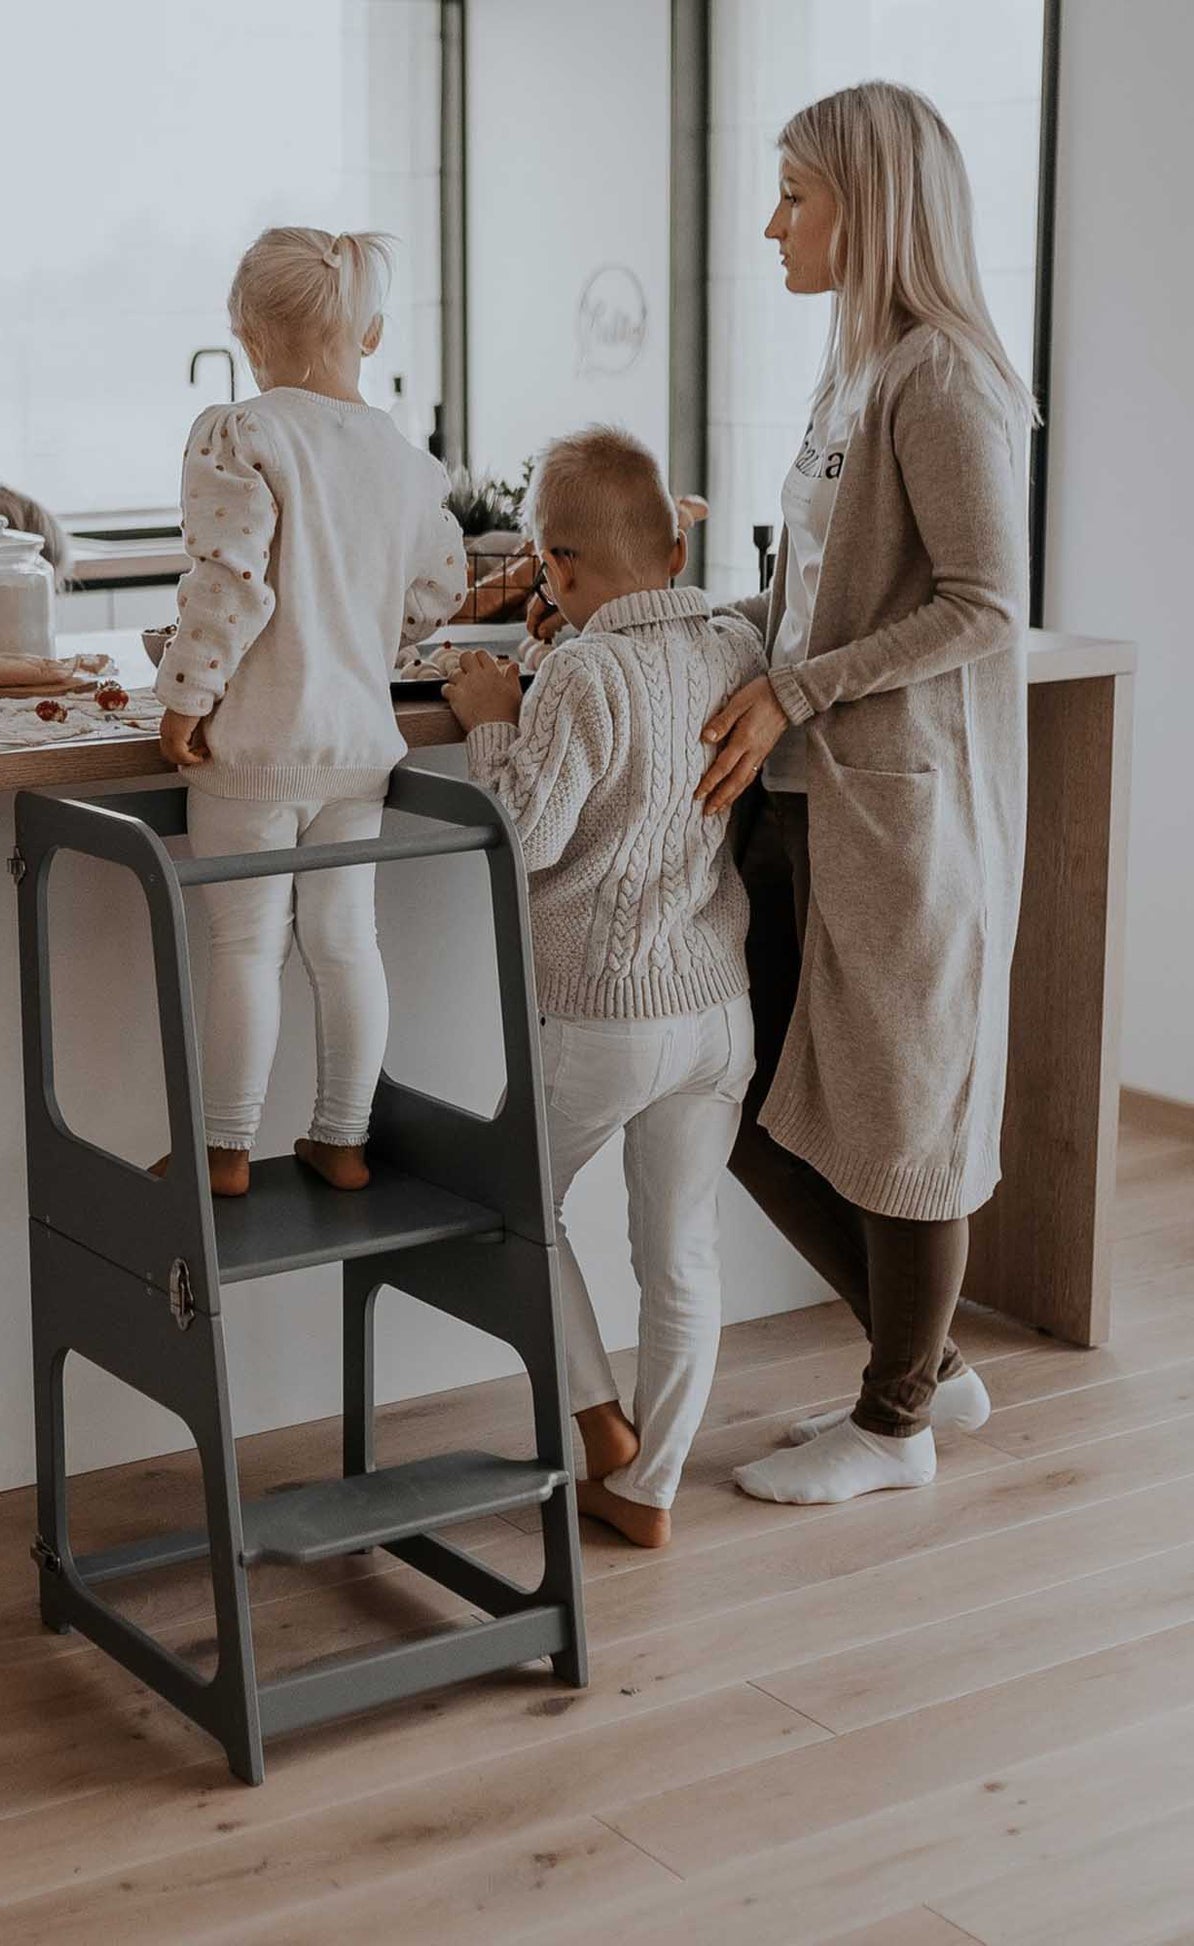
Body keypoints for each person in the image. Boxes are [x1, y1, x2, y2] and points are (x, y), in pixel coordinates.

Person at [692, 81, 1033, 1506]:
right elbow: (814, 589)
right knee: (744, 1095)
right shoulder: (851, 374)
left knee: (901, 1120)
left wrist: (800, 687)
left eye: (794, 196)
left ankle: (893, 1421)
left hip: (893, 803)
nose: (771, 224)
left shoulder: (940, 377)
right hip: (804, 794)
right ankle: (927, 1360)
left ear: (870, 207)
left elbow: (983, 603)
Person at [444, 427, 765, 1548]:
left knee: (505, 1202)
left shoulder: (582, 669)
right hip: (717, 1009)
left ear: (555, 567)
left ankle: (602, 1431)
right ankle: (648, 1486)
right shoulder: (730, 642)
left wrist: (490, 714)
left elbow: (525, 833)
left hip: (610, 1011)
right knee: (677, 1252)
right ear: (675, 543)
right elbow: (660, 631)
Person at [155, 226, 466, 1198]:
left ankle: (222, 1150)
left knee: (246, 942)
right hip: (357, 750)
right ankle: (341, 1139)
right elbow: (435, 592)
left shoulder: (241, 431)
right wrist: (364, 630)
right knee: (345, 940)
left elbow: (228, 580)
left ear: (245, 333)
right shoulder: (408, 465)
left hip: (255, 745)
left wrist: (184, 694)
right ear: (367, 334)